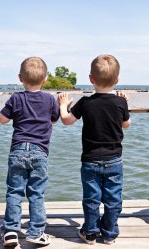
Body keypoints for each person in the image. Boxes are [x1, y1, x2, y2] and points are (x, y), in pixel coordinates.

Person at [58, 54, 131, 245]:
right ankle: (109, 234)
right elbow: (126, 124)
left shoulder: (85, 102)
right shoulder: (120, 102)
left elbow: (66, 120)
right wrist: (124, 104)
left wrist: (63, 105)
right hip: (114, 159)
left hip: (90, 160)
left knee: (91, 199)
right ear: (117, 80)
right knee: (113, 198)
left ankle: (90, 233)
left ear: (91, 79)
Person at [0, 57, 59, 247]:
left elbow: (2, 119)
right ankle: (35, 232)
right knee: (36, 193)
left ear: (20, 78)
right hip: (40, 151)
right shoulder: (49, 99)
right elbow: (55, 119)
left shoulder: (16, 98)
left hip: (18, 150)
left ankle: (10, 231)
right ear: (45, 80)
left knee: (14, 191)